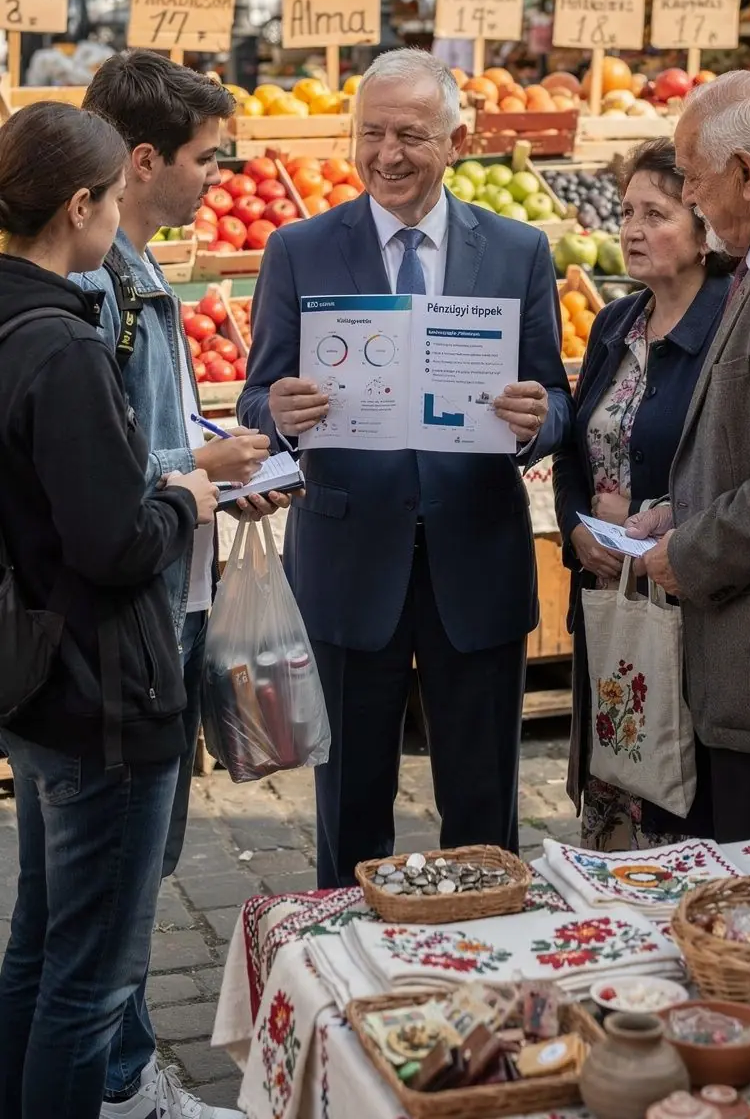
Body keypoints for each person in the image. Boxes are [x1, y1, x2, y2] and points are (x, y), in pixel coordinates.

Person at [239, 48, 572, 888]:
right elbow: (252, 401)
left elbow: (556, 400)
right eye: (371, 133)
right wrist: (277, 415)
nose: (386, 154)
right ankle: (348, 989)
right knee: (349, 811)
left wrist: (536, 422)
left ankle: (485, 969)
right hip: (350, 566)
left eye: (411, 136)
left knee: (484, 811)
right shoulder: (299, 248)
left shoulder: (517, 249)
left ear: (457, 140)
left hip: (477, 562)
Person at [75, 49, 291, 1119]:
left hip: (166, 599)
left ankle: (117, 1067)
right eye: (211, 156)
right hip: (128, 627)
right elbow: (96, 476)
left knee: (131, 877)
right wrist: (201, 472)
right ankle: (117, 1082)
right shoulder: (95, 284)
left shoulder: (138, 270)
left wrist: (210, 469)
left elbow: (144, 441)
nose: (223, 172)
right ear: (145, 158)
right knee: (114, 886)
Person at [0, 103, 219, 1119]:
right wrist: (185, 498)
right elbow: (114, 543)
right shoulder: (64, 347)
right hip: (101, 691)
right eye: (116, 201)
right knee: (87, 982)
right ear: (81, 204)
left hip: (35, 674)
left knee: (40, 949)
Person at [628, 71, 750, 842]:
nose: (693, 198)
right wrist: (686, 507)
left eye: (696, 180)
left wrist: (693, 549)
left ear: (746, 174)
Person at [553, 139, 733, 850]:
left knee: (682, 806)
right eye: (626, 211)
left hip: (690, 615)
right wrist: (576, 531)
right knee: (618, 780)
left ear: (705, 230)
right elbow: (573, 445)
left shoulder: (729, 329)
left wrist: (655, 519)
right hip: (610, 606)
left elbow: (735, 466)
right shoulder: (613, 324)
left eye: (654, 213)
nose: (630, 228)